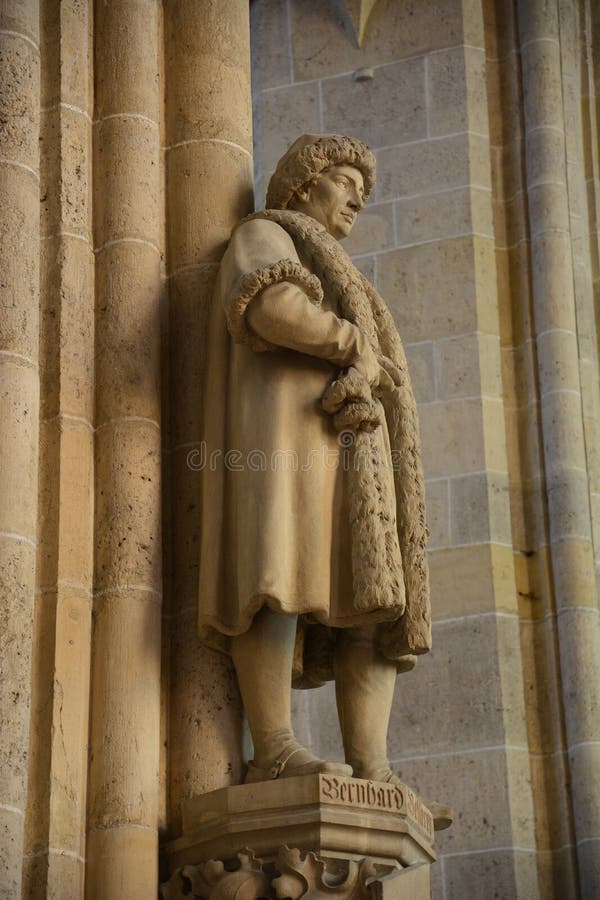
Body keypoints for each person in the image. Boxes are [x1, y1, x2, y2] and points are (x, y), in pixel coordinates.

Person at [198, 134, 431, 786]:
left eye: (365, 188)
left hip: (350, 455)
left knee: (376, 601)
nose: (358, 196)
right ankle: (272, 748)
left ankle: (374, 768)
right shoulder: (267, 233)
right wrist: (352, 340)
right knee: (277, 580)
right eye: (343, 179)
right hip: (287, 442)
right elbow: (271, 307)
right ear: (302, 185)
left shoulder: (340, 274)